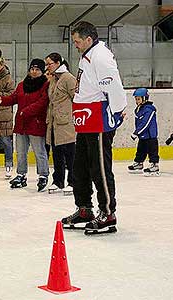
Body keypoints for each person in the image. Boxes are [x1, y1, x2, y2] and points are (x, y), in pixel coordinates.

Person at [61, 21, 127, 235]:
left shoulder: (101, 56)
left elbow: (114, 86)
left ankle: (108, 213)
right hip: (85, 118)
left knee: (99, 168)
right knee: (80, 166)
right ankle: (84, 209)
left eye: (78, 41)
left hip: (98, 117)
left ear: (89, 39)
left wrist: (117, 111)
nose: (76, 45)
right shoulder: (88, 54)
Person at [0, 58, 50, 192]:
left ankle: (43, 175)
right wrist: (1, 100)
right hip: (21, 125)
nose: (34, 71)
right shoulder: (22, 84)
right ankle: (21, 174)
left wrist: (25, 111)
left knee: (39, 152)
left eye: (37, 69)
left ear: (42, 71)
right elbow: (14, 98)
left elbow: (42, 103)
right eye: (32, 69)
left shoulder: (46, 85)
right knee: (20, 152)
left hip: (36, 124)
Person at [44, 53, 77, 195]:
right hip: (54, 122)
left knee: (70, 153)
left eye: (49, 64)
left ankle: (73, 181)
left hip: (66, 122)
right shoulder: (53, 80)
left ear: (58, 63)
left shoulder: (68, 78)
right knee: (56, 153)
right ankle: (58, 180)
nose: (47, 67)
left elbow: (76, 97)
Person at [127, 88, 160, 176]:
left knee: (152, 151)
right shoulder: (139, 109)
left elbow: (146, 123)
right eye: (136, 99)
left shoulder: (149, 109)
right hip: (143, 136)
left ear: (145, 98)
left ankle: (154, 165)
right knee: (140, 150)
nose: (137, 101)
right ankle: (139, 163)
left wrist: (136, 133)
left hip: (150, 136)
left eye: (138, 99)